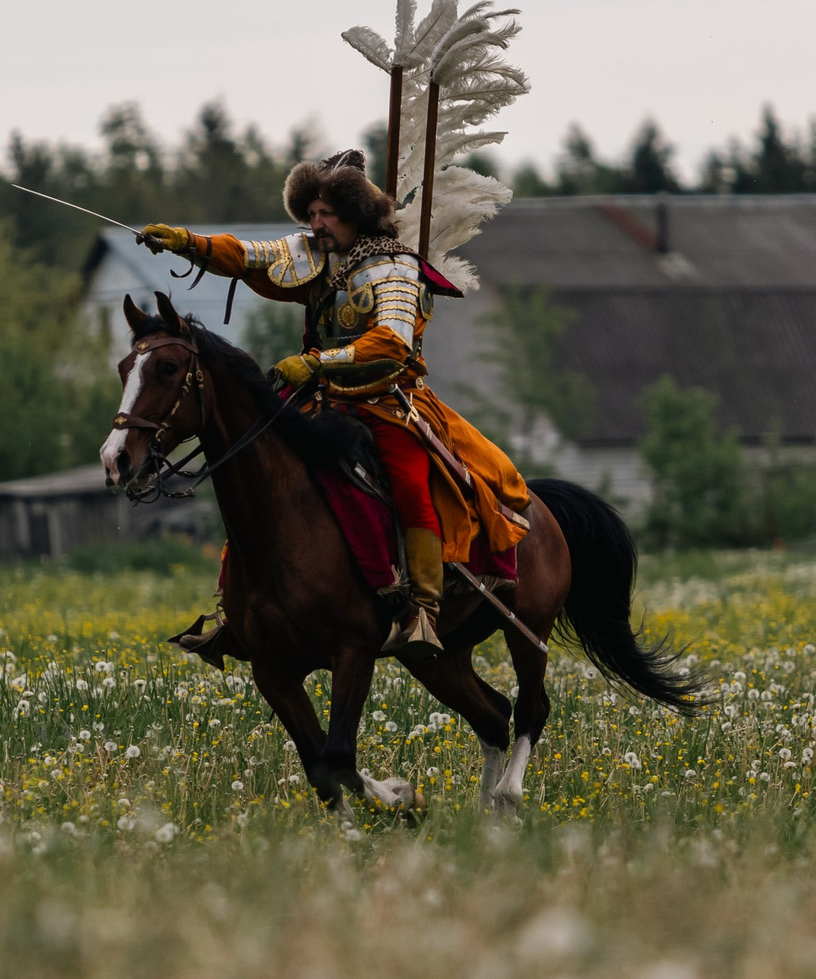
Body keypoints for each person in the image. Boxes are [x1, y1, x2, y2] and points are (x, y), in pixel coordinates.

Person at [136, 150, 531, 663]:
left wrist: (318, 363)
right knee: (261, 476)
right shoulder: (314, 254)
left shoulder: (392, 267)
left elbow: (391, 342)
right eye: (312, 213)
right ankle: (239, 610)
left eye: (327, 215)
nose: (316, 224)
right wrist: (189, 243)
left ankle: (423, 610)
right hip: (319, 400)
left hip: (388, 403)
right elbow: (248, 255)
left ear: (356, 215)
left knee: (412, 483)